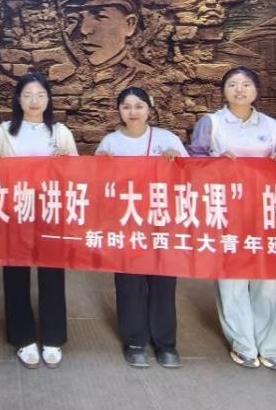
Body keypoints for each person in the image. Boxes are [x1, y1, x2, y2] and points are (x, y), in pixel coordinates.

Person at [188, 68, 276, 371]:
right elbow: (192, 160)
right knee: (232, 278)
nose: (239, 90)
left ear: (256, 91)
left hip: (265, 211)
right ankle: (243, 343)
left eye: (246, 85)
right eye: (232, 84)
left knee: (271, 278)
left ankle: (275, 346)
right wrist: (215, 162)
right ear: (223, 91)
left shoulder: (272, 126)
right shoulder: (212, 123)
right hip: (226, 210)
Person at [0, 71, 78, 369]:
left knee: (52, 274)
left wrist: (67, 163)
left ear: (48, 99)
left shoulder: (61, 132)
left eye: (40, 95)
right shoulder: (4, 131)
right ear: (18, 100)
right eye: (27, 95)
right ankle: (22, 337)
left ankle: (53, 337)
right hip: (14, 210)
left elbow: (77, 175)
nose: (34, 101)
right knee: (15, 274)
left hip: (51, 210)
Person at [95, 87, 187, 369]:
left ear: (150, 108)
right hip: (126, 223)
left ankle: (166, 344)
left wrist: (176, 160)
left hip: (162, 221)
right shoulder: (110, 142)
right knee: (129, 283)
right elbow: (96, 183)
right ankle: (135, 342)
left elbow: (190, 177)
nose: (132, 112)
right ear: (119, 111)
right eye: (126, 106)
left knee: (163, 283)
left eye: (138, 106)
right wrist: (102, 165)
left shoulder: (167, 139)